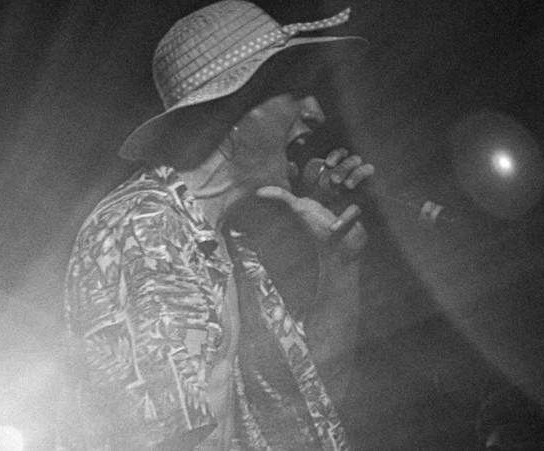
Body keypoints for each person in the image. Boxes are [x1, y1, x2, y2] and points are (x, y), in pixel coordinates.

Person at [60, 2, 373, 450]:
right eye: (294, 92)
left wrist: (341, 260)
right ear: (229, 114)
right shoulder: (146, 229)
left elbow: (313, 402)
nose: (315, 112)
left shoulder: (229, 245)